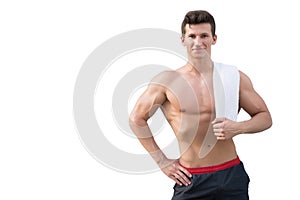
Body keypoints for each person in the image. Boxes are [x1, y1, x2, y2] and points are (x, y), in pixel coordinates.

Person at [129, 10, 272, 199]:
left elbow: (265, 117)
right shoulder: (167, 81)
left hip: (231, 174)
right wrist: (162, 161)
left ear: (214, 39)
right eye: (192, 36)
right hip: (190, 179)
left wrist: (238, 127)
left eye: (204, 35)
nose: (198, 41)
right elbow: (136, 119)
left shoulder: (233, 77)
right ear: (183, 40)